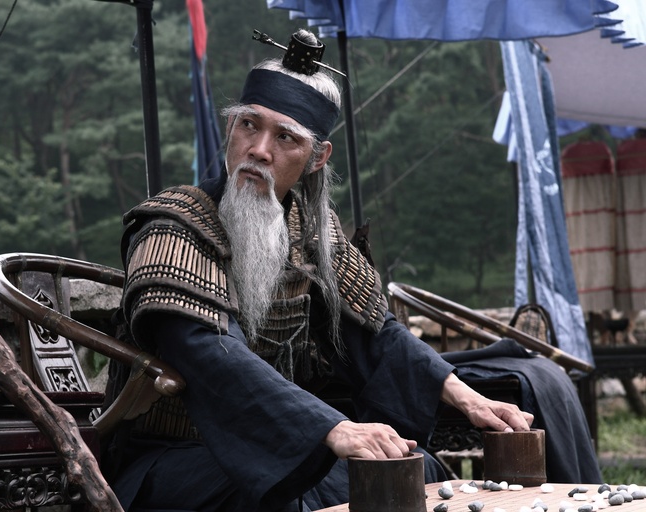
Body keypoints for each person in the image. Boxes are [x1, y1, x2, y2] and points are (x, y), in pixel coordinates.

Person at [102, 29, 592, 512]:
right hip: (171, 457)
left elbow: (376, 335)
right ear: (231, 127)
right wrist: (332, 427)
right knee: (298, 488)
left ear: (317, 157)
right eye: (249, 124)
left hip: (276, 445)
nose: (259, 149)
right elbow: (207, 352)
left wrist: (467, 396)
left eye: (285, 137)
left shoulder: (312, 231)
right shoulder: (173, 224)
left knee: (417, 469)